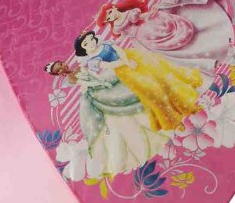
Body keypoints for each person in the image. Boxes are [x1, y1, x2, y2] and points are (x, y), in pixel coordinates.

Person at [45, 59, 169, 178]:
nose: (63, 66)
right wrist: (101, 83)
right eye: (59, 69)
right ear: (59, 73)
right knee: (116, 117)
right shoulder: (71, 78)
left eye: (61, 63)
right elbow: (87, 83)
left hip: (102, 83)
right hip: (96, 91)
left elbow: (94, 73)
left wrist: (103, 79)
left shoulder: (79, 67)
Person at [96, 0, 234, 90]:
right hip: (143, 41)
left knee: (178, 40)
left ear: (114, 8)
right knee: (169, 57)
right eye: (108, 18)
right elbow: (123, 35)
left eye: (110, 12)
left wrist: (151, 14)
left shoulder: (130, 13)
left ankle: (209, 48)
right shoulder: (117, 26)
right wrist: (114, 43)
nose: (111, 16)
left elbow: (142, 16)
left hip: (151, 27)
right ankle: (200, 65)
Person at [74, 30, 203, 133]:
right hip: (125, 71)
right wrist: (125, 63)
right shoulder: (92, 61)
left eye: (91, 39)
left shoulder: (105, 44)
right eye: (86, 44)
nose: (90, 43)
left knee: (161, 75)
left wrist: (127, 60)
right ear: (82, 50)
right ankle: (173, 120)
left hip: (133, 57)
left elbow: (119, 50)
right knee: (153, 91)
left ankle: (186, 106)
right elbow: (109, 65)